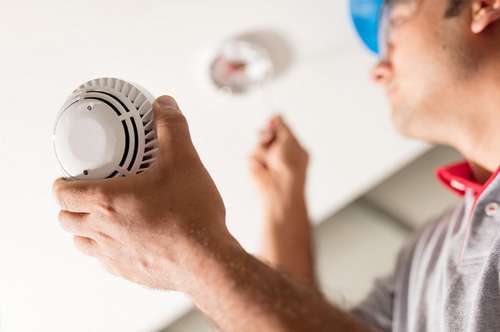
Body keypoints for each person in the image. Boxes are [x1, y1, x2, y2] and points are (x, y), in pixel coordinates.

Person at [52, 0, 500, 330]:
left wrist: (189, 256)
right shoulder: (430, 251)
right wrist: (283, 209)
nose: (378, 69)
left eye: (397, 21)